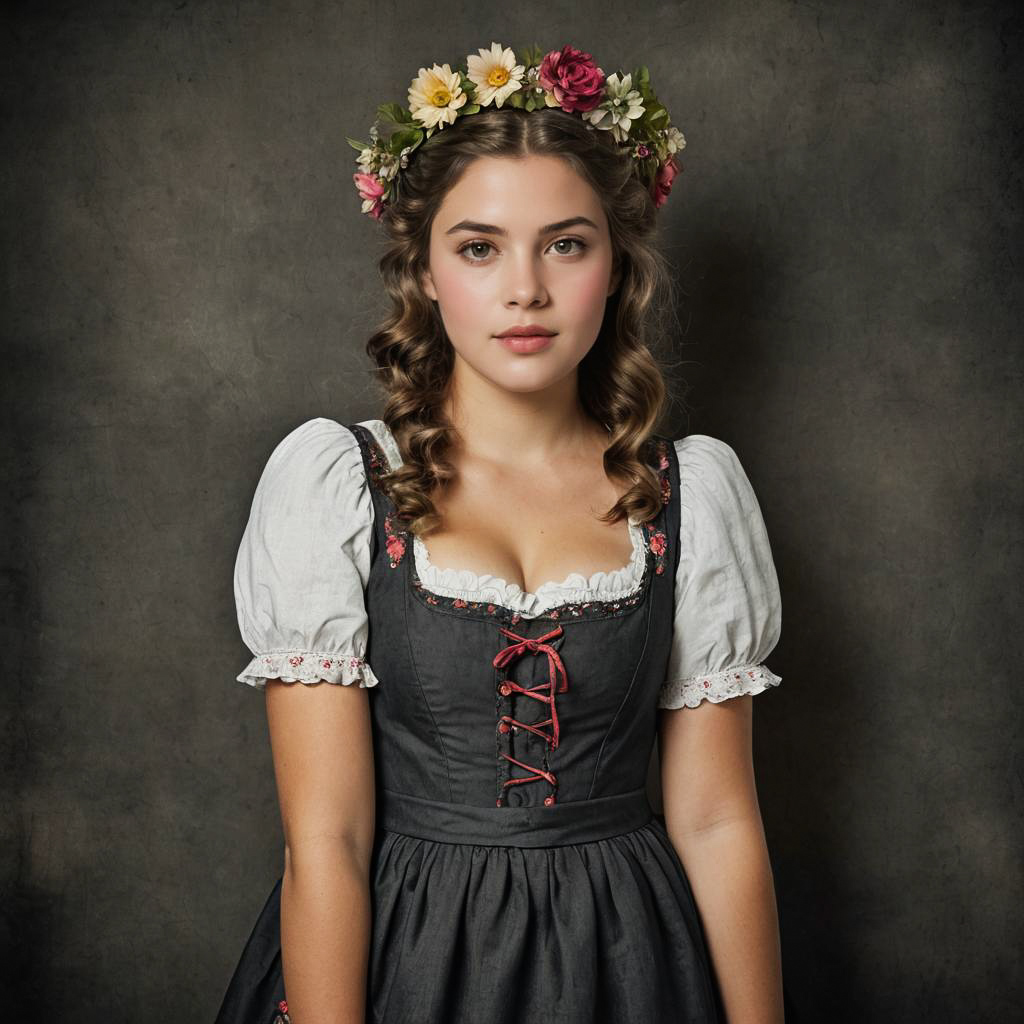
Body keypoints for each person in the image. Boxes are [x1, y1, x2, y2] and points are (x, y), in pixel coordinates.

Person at [215, 42, 785, 1024]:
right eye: (479, 247)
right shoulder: (341, 485)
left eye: (566, 244)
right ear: (426, 272)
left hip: (628, 959)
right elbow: (329, 841)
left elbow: (716, 817)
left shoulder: (687, 491)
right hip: (408, 956)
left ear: (616, 267)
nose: (525, 288)